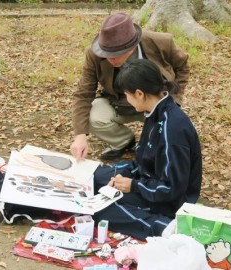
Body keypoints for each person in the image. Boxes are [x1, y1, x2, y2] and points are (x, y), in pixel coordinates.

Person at [92, 58, 202, 240]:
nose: (126, 99)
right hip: (149, 182)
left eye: (127, 94)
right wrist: (121, 175)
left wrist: (133, 186)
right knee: (94, 177)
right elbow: (143, 162)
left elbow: (172, 188)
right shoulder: (154, 114)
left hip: (169, 201)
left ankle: (162, 227)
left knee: (101, 209)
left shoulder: (171, 128)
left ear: (139, 93)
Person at [70, 12, 190, 161]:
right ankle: (124, 142)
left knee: (165, 146)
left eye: (115, 54)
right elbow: (83, 93)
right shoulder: (93, 54)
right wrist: (80, 136)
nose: (110, 59)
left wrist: (174, 100)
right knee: (92, 116)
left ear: (132, 46)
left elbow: (182, 67)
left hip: (154, 101)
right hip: (118, 103)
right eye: (105, 53)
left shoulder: (161, 42)